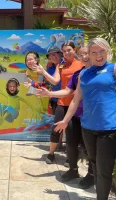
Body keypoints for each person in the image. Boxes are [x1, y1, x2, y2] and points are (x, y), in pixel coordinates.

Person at [54, 38, 116, 200]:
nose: (98, 55)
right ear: (88, 55)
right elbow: (75, 100)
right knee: (94, 164)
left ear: (107, 51)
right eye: (94, 52)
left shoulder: (113, 68)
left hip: (109, 128)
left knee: (104, 170)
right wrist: (66, 120)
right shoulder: (84, 74)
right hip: (87, 127)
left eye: (101, 51)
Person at [36, 46, 94, 189]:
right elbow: (67, 90)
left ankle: (92, 175)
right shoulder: (77, 74)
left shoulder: (97, 72)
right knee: (71, 142)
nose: (84, 56)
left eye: (87, 53)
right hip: (73, 110)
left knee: (89, 146)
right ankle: (73, 170)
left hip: (90, 114)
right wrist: (48, 94)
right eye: (82, 54)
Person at [33, 41, 83, 164]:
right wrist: (43, 72)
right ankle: (51, 154)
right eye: (65, 51)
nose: (66, 53)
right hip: (62, 101)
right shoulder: (60, 66)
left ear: (74, 50)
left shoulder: (81, 64)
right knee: (56, 129)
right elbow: (55, 82)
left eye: (68, 50)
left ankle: (70, 158)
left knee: (72, 133)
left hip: (77, 104)